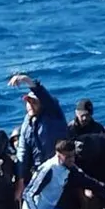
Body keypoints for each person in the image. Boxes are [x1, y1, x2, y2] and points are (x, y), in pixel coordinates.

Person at [21, 139, 105, 209]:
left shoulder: (70, 167)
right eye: (67, 157)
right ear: (58, 155)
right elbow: (28, 194)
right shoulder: (48, 170)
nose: (71, 160)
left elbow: (87, 181)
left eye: (73, 156)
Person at [9, 73, 68, 201]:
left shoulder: (53, 114)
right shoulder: (27, 123)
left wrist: (26, 80)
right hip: (39, 171)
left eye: (33, 102)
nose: (30, 105)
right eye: (28, 102)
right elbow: (22, 153)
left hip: (60, 168)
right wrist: (20, 181)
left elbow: (44, 95)